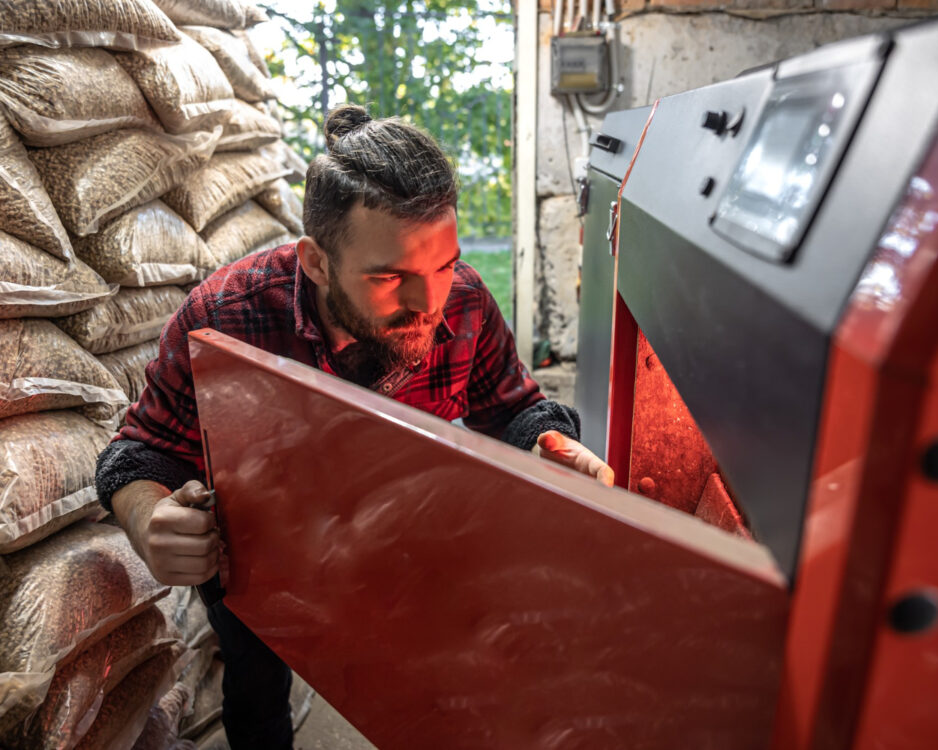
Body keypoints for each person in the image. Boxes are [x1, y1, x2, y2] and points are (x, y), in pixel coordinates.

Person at [95, 104, 614, 750]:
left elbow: (515, 409)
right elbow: (136, 454)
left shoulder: (468, 302)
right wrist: (151, 523)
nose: (430, 309)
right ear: (315, 261)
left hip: (402, 536)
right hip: (262, 553)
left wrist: (546, 445)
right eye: (390, 279)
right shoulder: (225, 317)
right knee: (256, 693)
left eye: (444, 266)